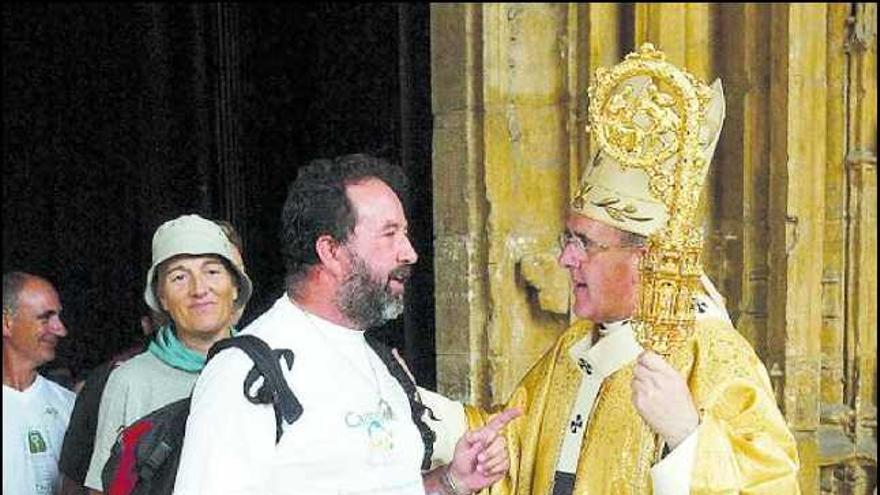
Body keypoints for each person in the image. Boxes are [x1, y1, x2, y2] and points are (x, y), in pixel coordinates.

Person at [425, 44, 801, 494]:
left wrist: (686, 436)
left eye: (584, 244)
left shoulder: (713, 352)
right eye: (568, 239)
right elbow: (514, 443)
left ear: (644, 256)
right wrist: (404, 407)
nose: (566, 258)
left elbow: (772, 484)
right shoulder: (577, 345)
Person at [173, 154, 519, 495]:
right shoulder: (247, 370)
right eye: (389, 234)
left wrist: (451, 481)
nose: (409, 252)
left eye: (405, 233)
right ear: (331, 251)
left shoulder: (380, 363)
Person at [57, 220, 246, 495]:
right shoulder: (130, 382)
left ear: (235, 286)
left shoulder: (267, 368)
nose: (199, 289)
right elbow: (113, 489)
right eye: (179, 277)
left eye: (213, 272)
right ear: (162, 298)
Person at [3, 271, 76, 495]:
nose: (60, 329)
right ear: (6, 323)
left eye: (59, 317)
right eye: (46, 318)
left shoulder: (70, 406)